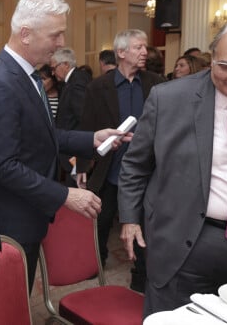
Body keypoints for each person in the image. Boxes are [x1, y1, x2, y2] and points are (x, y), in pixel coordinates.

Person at [0, 0, 129, 289]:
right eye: (56, 35)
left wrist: (92, 138)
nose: (61, 43)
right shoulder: (1, 83)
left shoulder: (25, 74)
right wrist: (65, 195)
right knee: (8, 307)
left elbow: (42, 134)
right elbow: (2, 165)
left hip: (27, 214)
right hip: (10, 221)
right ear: (26, 34)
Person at [118, 18, 227, 317]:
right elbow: (135, 165)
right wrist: (130, 218)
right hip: (185, 243)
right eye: (225, 66)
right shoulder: (170, 98)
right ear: (211, 57)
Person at [76, 29, 164, 291]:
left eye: (145, 48)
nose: (144, 52)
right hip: (110, 167)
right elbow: (87, 125)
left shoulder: (157, 84)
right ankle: (96, 262)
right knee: (102, 221)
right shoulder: (98, 87)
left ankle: (141, 274)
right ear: (121, 52)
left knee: (145, 224)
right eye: (138, 47)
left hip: (147, 170)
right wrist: (82, 165)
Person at [52, 47, 92, 187]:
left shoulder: (77, 82)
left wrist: (81, 155)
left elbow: (84, 118)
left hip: (76, 151)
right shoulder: (73, 80)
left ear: (66, 65)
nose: (53, 72)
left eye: (54, 67)